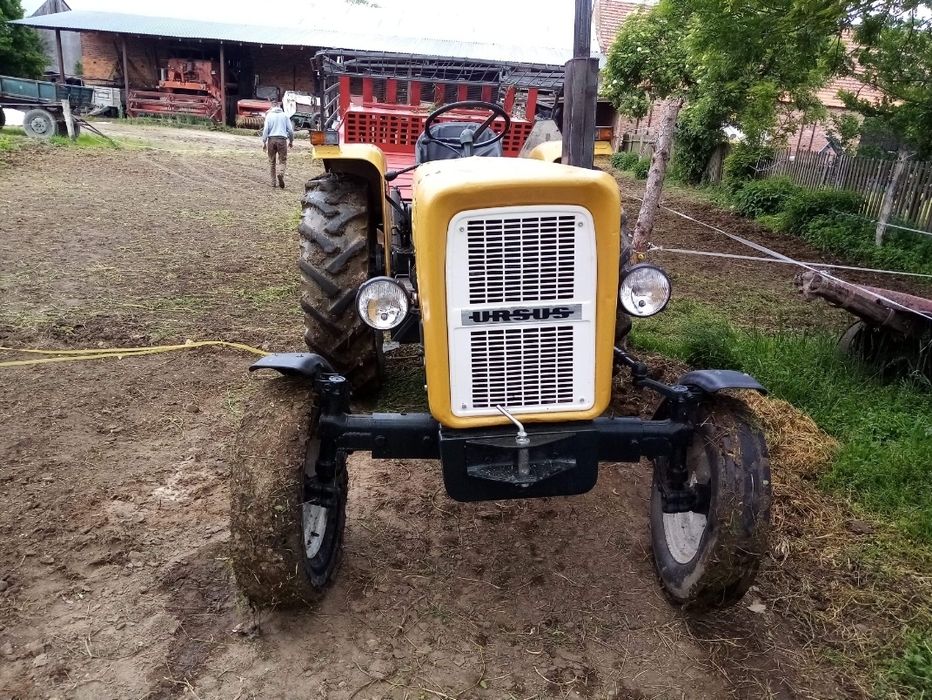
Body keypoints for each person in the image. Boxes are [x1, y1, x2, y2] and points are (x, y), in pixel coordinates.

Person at [261, 101, 294, 189]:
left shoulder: (269, 116)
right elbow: (290, 130)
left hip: (271, 140)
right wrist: (291, 141)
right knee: (282, 161)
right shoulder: (285, 115)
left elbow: (265, 130)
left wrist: (264, 142)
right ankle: (280, 174)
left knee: (272, 162)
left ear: (272, 107)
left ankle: (273, 182)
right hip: (282, 140)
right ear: (280, 107)